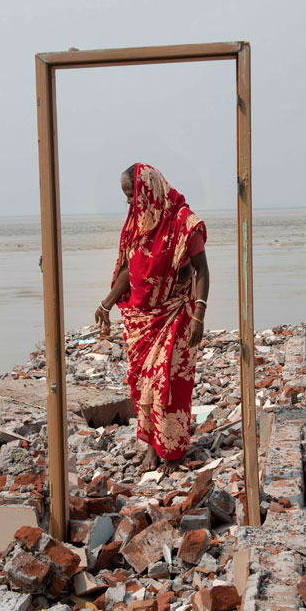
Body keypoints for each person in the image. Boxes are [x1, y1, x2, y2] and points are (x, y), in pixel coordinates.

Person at [95, 163, 209, 472]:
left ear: (149, 191)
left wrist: (199, 315)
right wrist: (106, 305)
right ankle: (150, 447)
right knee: (143, 385)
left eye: (133, 195)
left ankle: (172, 451)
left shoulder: (184, 224)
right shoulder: (136, 225)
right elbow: (128, 272)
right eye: (126, 197)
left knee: (169, 384)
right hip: (141, 320)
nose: (130, 203)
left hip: (177, 316)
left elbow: (202, 271)